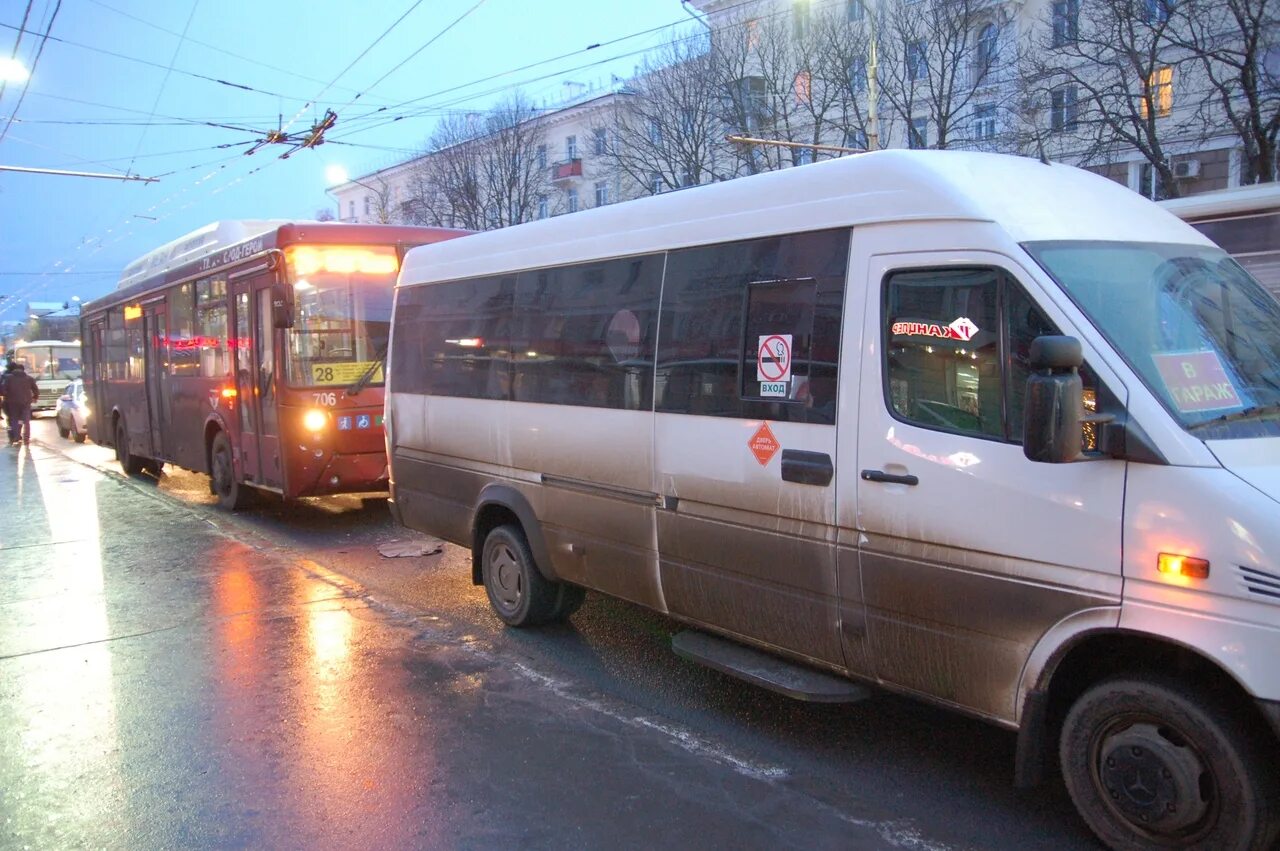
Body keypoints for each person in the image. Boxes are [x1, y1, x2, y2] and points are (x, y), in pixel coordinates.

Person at [3, 362, 39, 446]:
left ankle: (16, 437)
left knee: (14, 419)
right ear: (23, 370)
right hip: (26, 402)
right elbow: (35, 389)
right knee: (26, 421)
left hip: (12, 402)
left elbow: (3, 389)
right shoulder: (29, 378)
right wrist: (35, 397)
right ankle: (26, 439)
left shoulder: (8, 378)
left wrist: (6, 395)